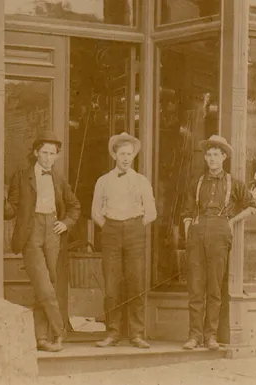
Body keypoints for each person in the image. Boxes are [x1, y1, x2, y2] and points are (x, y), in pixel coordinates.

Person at [5, 131, 81, 353]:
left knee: (45, 287)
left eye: (52, 154)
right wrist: (1, 202)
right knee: (45, 288)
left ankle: (41, 338)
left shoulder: (58, 179)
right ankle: (60, 331)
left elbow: (75, 205)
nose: (48, 157)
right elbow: (11, 210)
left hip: (53, 233)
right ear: (36, 153)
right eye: (44, 152)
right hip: (31, 232)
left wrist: (65, 223)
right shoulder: (21, 176)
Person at [181, 134, 256, 351]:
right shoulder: (197, 182)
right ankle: (194, 336)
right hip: (197, 234)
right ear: (205, 158)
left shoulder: (234, 183)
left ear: (224, 157)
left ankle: (210, 336)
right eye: (209, 155)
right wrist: (189, 231)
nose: (212, 158)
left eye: (216, 155)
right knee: (196, 288)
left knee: (214, 288)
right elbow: (187, 212)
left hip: (219, 234)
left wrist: (231, 221)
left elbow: (251, 205)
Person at [91, 132, 157, 349]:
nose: (126, 158)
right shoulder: (103, 181)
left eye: (130, 154)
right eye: (122, 154)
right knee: (112, 285)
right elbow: (95, 213)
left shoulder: (141, 181)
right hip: (110, 230)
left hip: (135, 232)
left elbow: (152, 213)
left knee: (136, 282)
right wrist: (113, 227)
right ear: (115, 155)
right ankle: (113, 333)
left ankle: (136, 334)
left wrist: (133, 226)